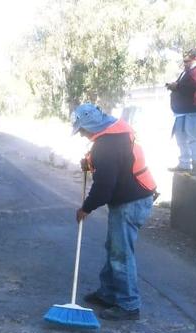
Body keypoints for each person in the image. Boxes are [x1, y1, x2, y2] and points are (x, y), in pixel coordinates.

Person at [72, 103, 157, 321]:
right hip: (135, 196)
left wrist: (85, 208)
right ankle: (108, 293)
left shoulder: (105, 146)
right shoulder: (116, 131)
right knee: (114, 247)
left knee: (121, 254)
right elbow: (117, 165)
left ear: (90, 125)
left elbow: (103, 189)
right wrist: (91, 164)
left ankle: (129, 304)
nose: (82, 135)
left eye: (81, 130)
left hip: (131, 202)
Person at [166, 49, 196, 176]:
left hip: (194, 110)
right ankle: (185, 164)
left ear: (195, 58)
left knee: (195, 138)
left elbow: (195, 86)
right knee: (181, 138)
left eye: (187, 61)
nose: (185, 64)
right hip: (182, 111)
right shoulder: (187, 71)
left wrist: (177, 87)